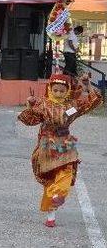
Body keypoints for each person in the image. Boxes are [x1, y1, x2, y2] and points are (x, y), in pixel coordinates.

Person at [17, 73, 101, 227]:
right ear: (50, 89)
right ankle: (51, 216)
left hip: (66, 142)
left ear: (67, 91)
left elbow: (94, 101)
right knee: (50, 178)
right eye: (55, 90)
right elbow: (28, 121)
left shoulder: (72, 106)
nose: (58, 93)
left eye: (62, 91)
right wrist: (29, 106)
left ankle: (57, 194)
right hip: (46, 144)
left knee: (67, 172)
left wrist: (88, 85)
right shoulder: (42, 104)